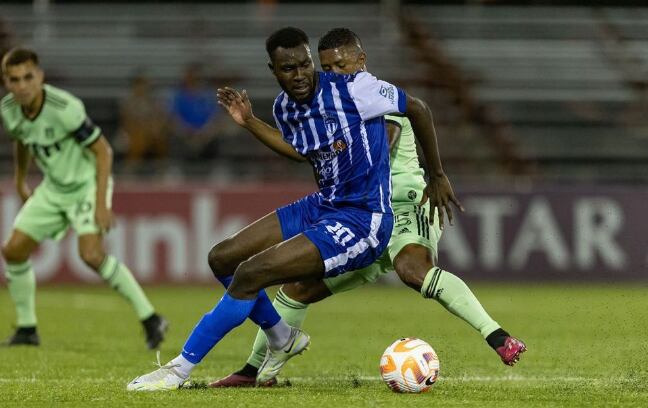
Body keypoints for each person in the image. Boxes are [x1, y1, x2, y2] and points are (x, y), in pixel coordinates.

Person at [127, 26, 460, 391]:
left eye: (305, 65)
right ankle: (282, 337)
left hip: (364, 219)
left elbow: (418, 107)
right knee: (222, 257)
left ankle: (177, 370)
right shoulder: (285, 108)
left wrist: (438, 175)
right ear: (274, 70)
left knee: (252, 272)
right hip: (324, 204)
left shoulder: (355, 89)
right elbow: (301, 151)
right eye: (288, 69)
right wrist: (250, 123)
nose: (299, 75)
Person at [209, 28, 526, 387]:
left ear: (362, 60)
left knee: (411, 269)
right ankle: (253, 371)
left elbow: (389, 135)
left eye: (342, 65)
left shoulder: (372, 97)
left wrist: (437, 175)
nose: (337, 74)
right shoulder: (333, 100)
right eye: (328, 67)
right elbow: (305, 149)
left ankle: (497, 336)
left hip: (405, 204)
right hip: (360, 218)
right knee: (298, 290)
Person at [0, 48, 168, 349]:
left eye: (28, 77)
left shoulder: (64, 108)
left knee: (90, 255)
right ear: (6, 82)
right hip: (52, 189)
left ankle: (151, 317)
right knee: (13, 250)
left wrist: (102, 203)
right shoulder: (9, 109)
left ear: (40, 76)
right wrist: (20, 178)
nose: (22, 85)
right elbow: (21, 139)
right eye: (14, 79)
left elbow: (103, 151)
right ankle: (27, 329)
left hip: (86, 186)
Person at [119, 72, 169, 172]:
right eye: (140, 85)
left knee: (159, 137)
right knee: (138, 139)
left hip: (150, 132)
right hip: (131, 132)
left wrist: (154, 128)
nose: (143, 88)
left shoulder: (152, 101)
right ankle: (130, 168)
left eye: (145, 85)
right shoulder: (128, 101)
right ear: (135, 86)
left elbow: (159, 118)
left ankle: (162, 168)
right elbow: (126, 122)